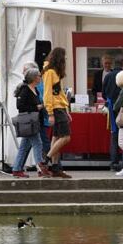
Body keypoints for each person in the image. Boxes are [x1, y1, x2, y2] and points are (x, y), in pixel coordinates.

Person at [11, 67, 49, 178]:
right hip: (29, 122)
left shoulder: (35, 89)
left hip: (34, 121)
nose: (40, 77)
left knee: (24, 146)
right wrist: (36, 107)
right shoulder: (25, 89)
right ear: (33, 78)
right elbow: (20, 106)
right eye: (38, 76)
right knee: (38, 143)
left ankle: (17, 168)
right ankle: (41, 167)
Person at [41, 48, 73, 179]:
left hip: (59, 108)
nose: (65, 59)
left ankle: (55, 168)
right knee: (66, 137)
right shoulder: (50, 72)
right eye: (64, 57)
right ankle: (46, 161)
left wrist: (66, 110)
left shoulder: (53, 72)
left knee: (56, 137)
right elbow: (47, 93)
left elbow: (58, 93)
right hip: (56, 108)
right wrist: (50, 113)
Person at [100, 54, 123, 172]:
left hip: (111, 108)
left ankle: (113, 162)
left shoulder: (108, 76)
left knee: (114, 136)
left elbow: (103, 94)